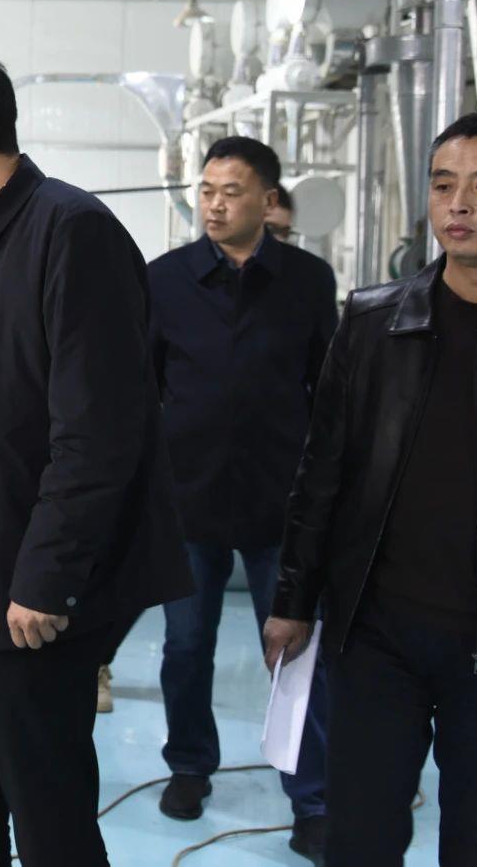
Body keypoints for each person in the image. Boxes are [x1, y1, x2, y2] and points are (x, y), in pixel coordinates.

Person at [0, 45, 192, 866]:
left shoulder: (70, 231)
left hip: (26, 598)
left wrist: (47, 575)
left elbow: (99, 430)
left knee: (50, 824)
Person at [265, 112, 477, 866]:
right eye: (443, 185)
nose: (459, 204)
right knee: (359, 838)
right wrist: (292, 599)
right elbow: (322, 474)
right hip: (376, 636)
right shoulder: (374, 321)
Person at [146, 137, 335, 860]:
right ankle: (190, 765)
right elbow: (143, 386)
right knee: (186, 644)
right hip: (188, 496)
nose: (215, 204)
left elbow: (328, 390)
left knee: (292, 651)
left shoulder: (307, 281)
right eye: (207, 190)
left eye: (232, 191)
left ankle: (311, 797)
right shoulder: (166, 279)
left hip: (279, 500)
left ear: (268, 201)